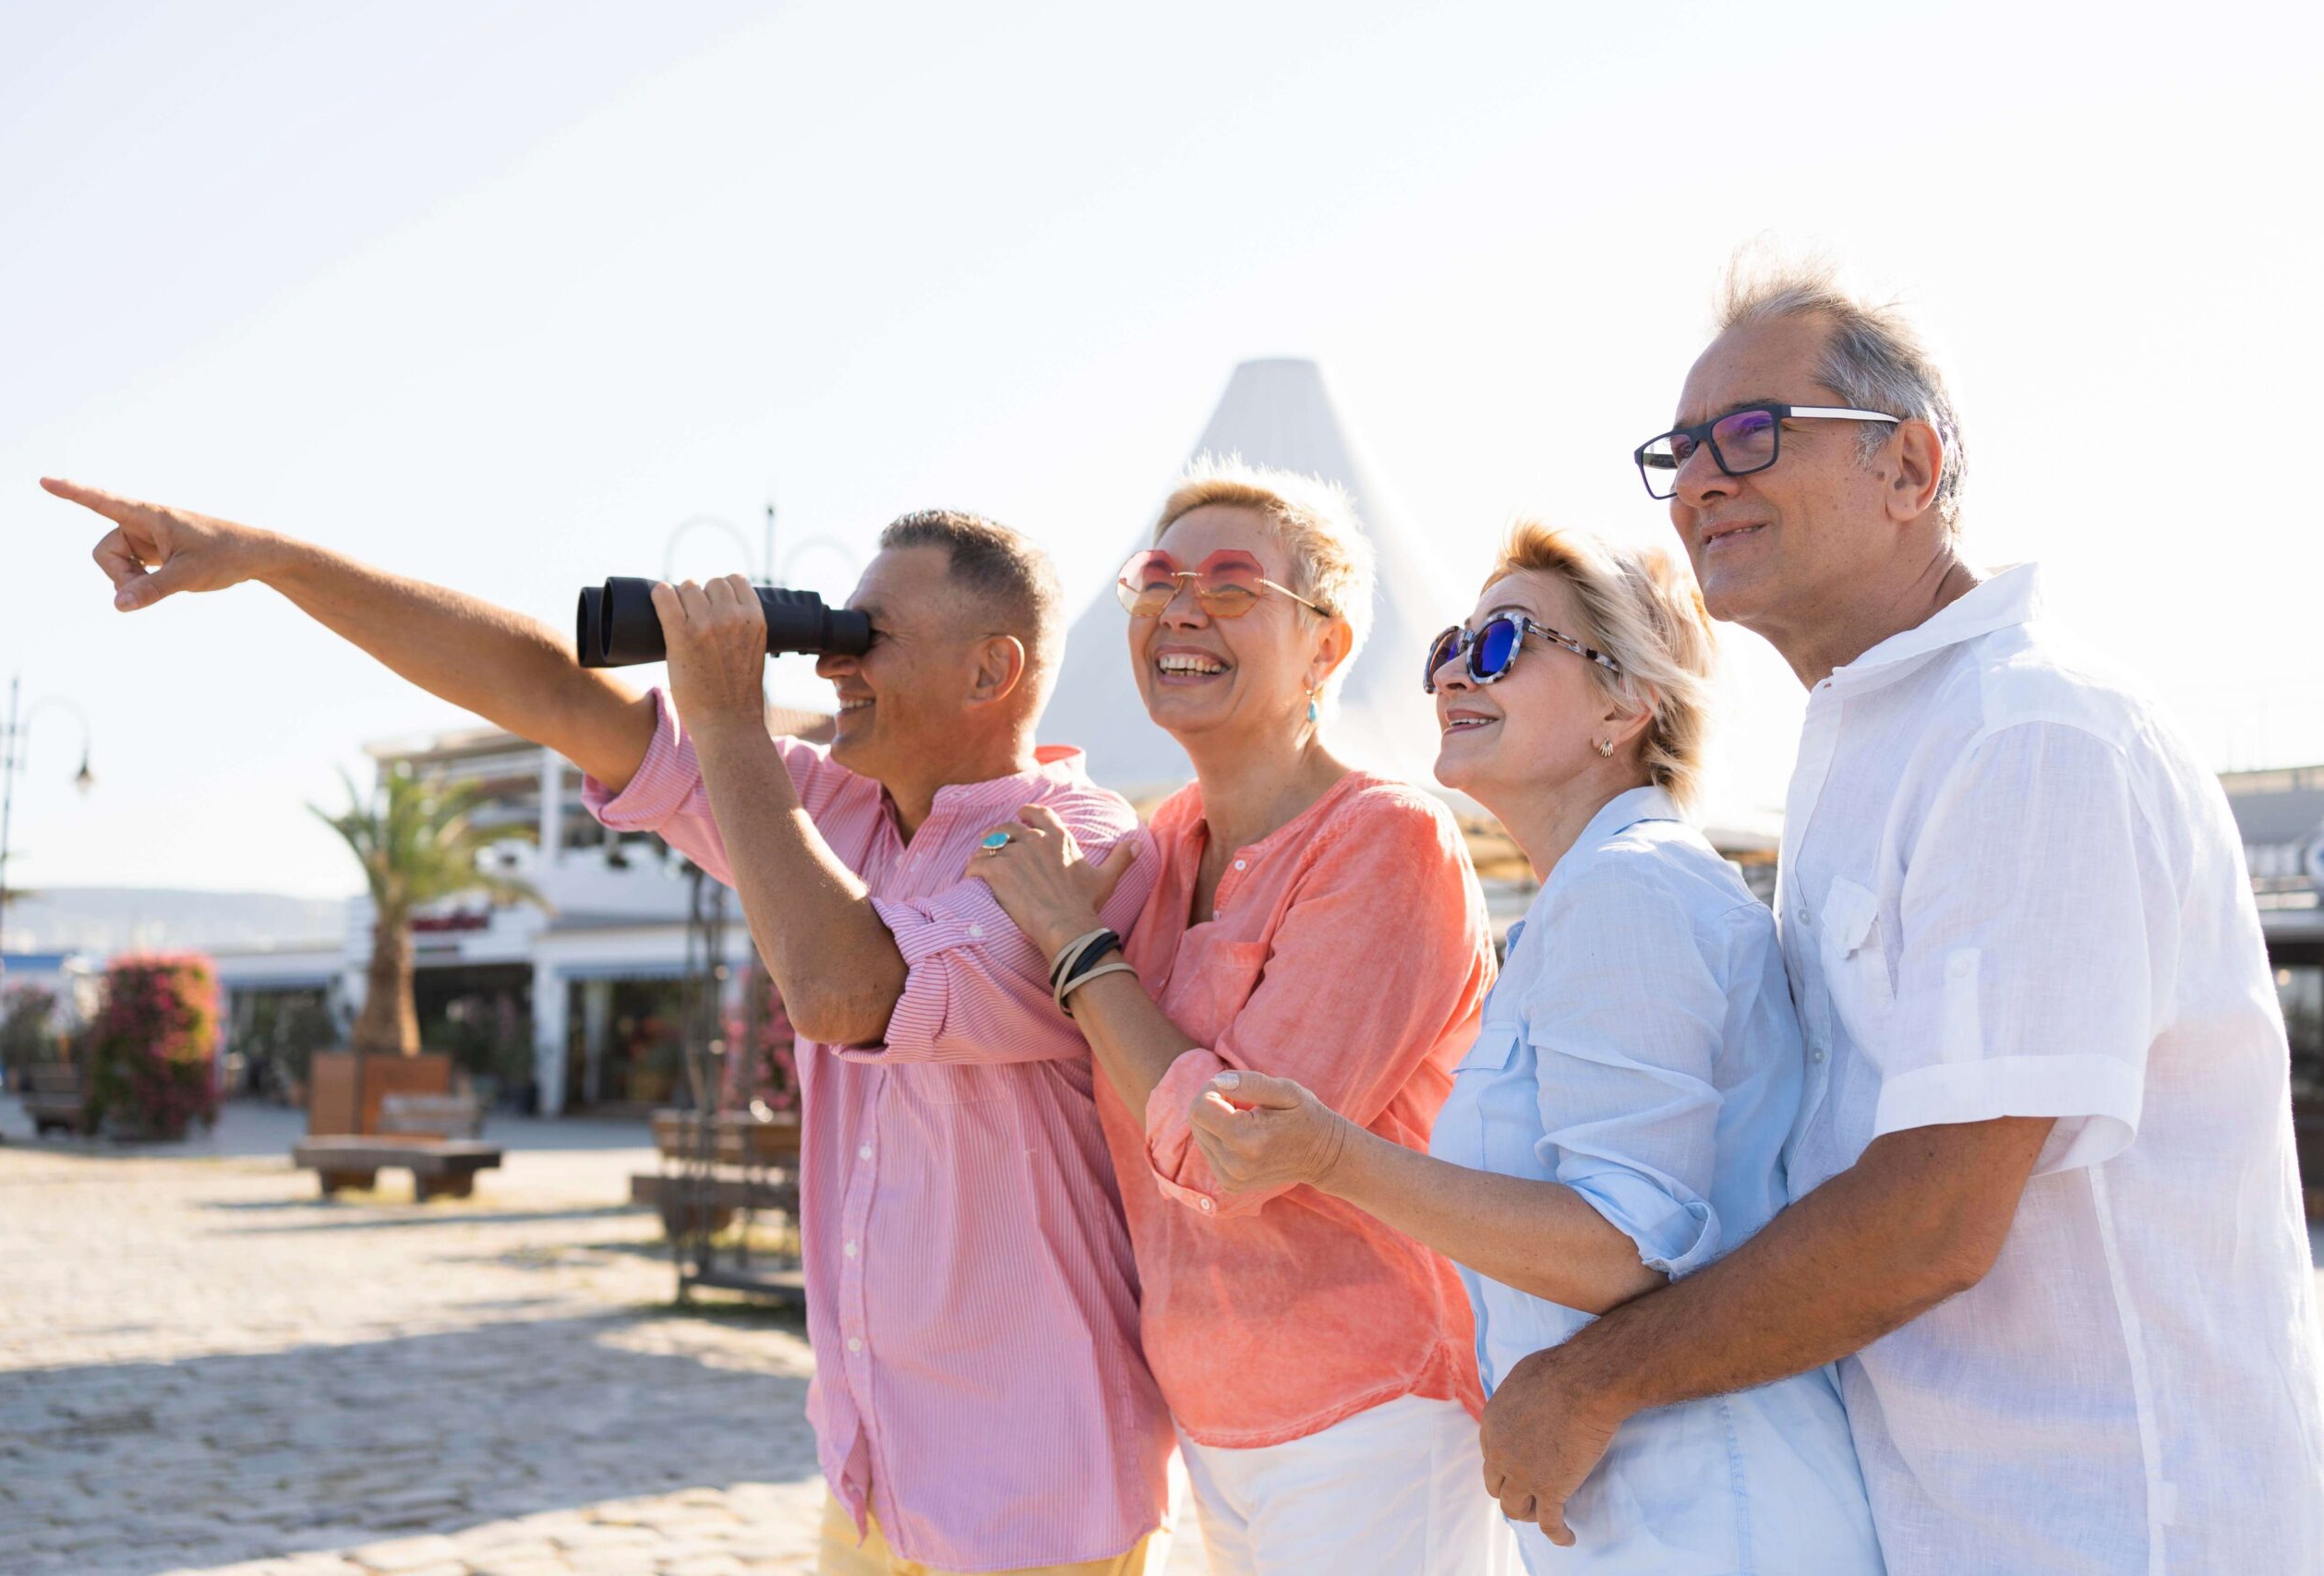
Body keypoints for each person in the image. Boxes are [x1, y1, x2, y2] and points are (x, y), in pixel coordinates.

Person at [42, 480, 1175, 1576]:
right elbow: (548, 691)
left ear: (993, 669)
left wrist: (728, 720)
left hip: (1038, 1487)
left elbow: (844, 994)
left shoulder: (1072, 844)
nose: (831, 660)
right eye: (831, 629)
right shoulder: (833, 818)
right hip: (878, 1470)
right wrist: (271, 559)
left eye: (867, 635)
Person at [1476, 266, 2324, 1571]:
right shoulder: (1875, 737)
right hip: (1950, 1514)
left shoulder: (2027, 733)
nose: (1702, 478)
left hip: (2116, 1524)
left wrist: (1592, 1378)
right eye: (1678, 450)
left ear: (1911, 466)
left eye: (1752, 432)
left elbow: (1934, 1213)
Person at [1182, 519, 1882, 1573]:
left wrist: (1333, 1158)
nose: (1459, 671)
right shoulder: (1595, 898)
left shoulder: (1630, 889)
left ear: (1623, 704)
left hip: (1712, 1518)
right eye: (1449, 649)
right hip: (1648, 1505)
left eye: (1505, 642)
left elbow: (1622, 1245)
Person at [969, 459, 1509, 1576]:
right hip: (1207, 1413)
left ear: (1326, 645)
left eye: (1228, 585)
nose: (1180, 608)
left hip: (1374, 1407)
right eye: (1158, 580)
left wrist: (1079, 946)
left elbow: (1234, 1154)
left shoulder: (1388, 840)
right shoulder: (1160, 845)